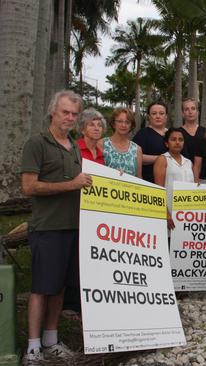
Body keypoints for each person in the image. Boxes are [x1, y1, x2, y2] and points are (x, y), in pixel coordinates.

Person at [20, 90, 93, 363]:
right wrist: (71, 185)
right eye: (65, 112)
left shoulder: (73, 145)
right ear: (53, 111)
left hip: (73, 227)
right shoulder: (37, 143)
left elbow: (82, 182)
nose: (70, 118)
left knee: (60, 287)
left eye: (74, 114)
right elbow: (28, 186)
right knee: (41, 288)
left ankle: (52, 339)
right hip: (47, 227)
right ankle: (33, 347)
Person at [153, 128, 195, 230]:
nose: (177, 142)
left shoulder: (189, 162)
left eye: (180, 140)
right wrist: (166, 214)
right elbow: (158, 191)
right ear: (167, 143)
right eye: (173, 139)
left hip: (186, 215)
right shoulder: (162, 159)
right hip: (168, 212)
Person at [134, 101, 169, 183]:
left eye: (161, 113)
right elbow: (135, 157)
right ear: (149, 117)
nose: (158, 116)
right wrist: (161, 159)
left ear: (166, 116)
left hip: (172, 183)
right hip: (150, 182)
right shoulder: (143, 134)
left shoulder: (173, 134)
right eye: (154, 113)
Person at [103, 108, 143, 178]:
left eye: (127, 122)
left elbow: (139, 178)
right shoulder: (102, 144)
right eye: (120, 121)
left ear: (131, 125)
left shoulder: (137, 149)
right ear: (113, 123)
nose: (123, 125)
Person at [179, 98, 206, 162]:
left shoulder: (205, 131)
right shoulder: (178, 132)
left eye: (193, 109)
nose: (190, 112)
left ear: (197, 112)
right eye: (186, 109)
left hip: (203, 169)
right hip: (183, 169)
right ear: (182, 113)